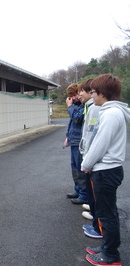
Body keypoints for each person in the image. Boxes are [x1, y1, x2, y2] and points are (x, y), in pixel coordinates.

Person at [81, 74, 130, 266]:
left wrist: (86, 165)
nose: (92, 95)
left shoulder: (110, 114)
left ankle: (110, 255)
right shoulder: (112, 112)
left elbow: (99, 145)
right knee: (106, 212)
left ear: (103, 93)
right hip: (109, 169)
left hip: (105, 171)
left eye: (93, 92)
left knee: (107, 214)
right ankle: (107, 247)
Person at [78, 78, 102, 239]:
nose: (80, 94)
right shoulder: (91, 107)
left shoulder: (95, 109)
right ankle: (96, 223)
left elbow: (92, 135)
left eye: (85, 91)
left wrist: (87, 160)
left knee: (98, 198)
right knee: (95, 197)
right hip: (91, 160)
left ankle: (99, 229)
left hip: (94, 163)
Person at [64, 83, 87, 204]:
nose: (73, 98)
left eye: (74, 95)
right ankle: (78, 190)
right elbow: (71, 123)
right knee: (74, 168)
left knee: (80, 169)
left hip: (79, 142)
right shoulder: (76, 105)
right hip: (74, 140)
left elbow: (77, 119)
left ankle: (84, 195)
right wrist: (68, 136)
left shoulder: (84, 106)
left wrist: (70, 106)